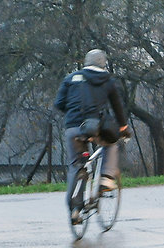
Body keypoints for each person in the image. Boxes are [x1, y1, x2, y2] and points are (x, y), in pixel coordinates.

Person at [54, 49, 131, 223]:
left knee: (76, 166)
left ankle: (75, 209)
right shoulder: (108, 81)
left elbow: (59, 103)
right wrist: (123, 127)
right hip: (96, 127)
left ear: (86, 62)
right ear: (103, 63)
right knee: (111, 143)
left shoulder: (70, 78)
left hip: (73, 128)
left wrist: (72, 112)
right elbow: (117, 106)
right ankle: (106, 179)